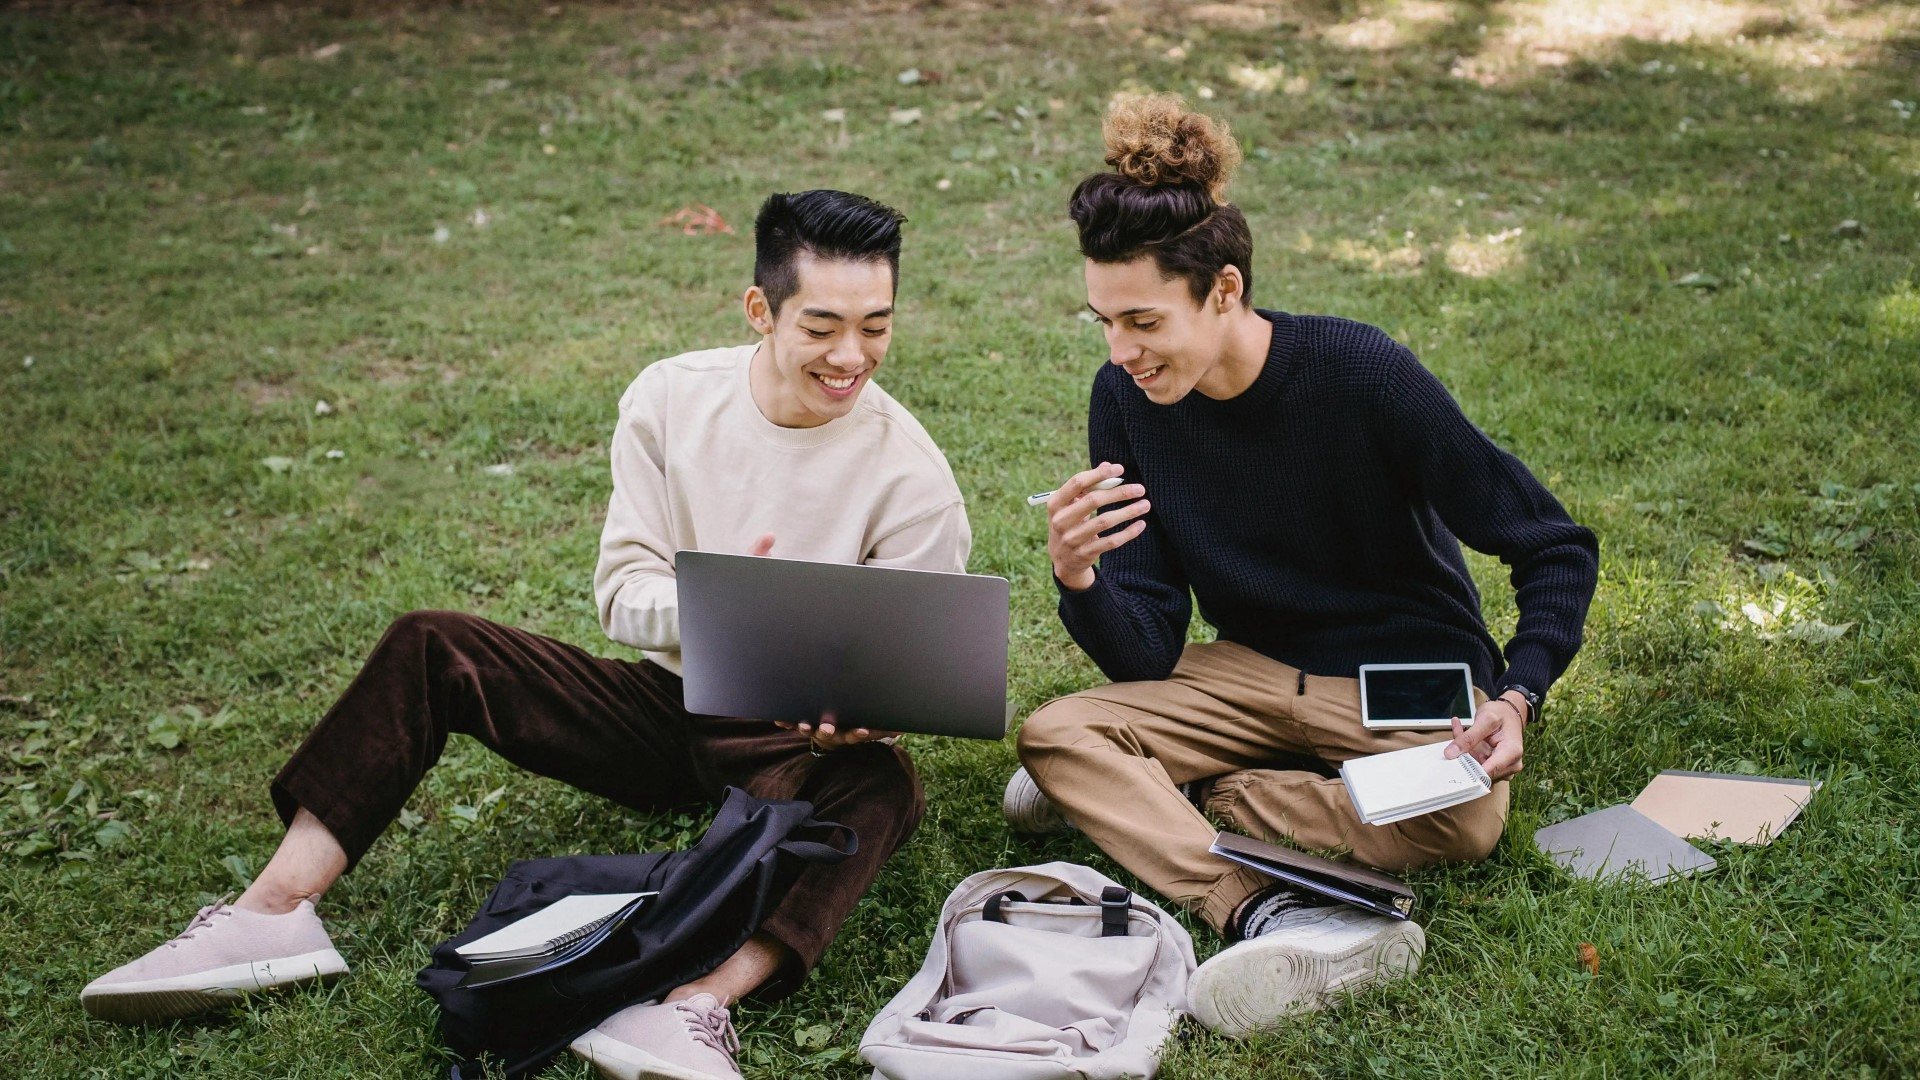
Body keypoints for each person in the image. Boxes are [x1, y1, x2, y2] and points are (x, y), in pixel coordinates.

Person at [83, 189, 971, 1080]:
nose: (850, 356)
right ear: (758, 310)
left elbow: (901, 679)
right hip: (669, 698)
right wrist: (729, 605)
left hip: (793, 742)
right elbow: (623, 593)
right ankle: (271, 912)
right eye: (821, 327)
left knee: (883, 787)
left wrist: (859, 719)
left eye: (876, 327)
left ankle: (691, 1011)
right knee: (432, 642)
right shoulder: (670, 399)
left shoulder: (912, 479)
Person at [1006, 95, 1599, 1037]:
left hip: (1404, 677)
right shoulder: (1124, 399)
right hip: (1248, 668)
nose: (1122, 352)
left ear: (1225, 290)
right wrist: (1081, 579)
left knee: (1469, 822)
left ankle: (1204, 790)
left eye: (1144, 322)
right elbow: (1149, 645)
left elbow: (1552, 545)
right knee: (1055, 736)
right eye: (1104, 323)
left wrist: (1518, 695)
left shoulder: (1360, 372)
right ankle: (1258, 905)